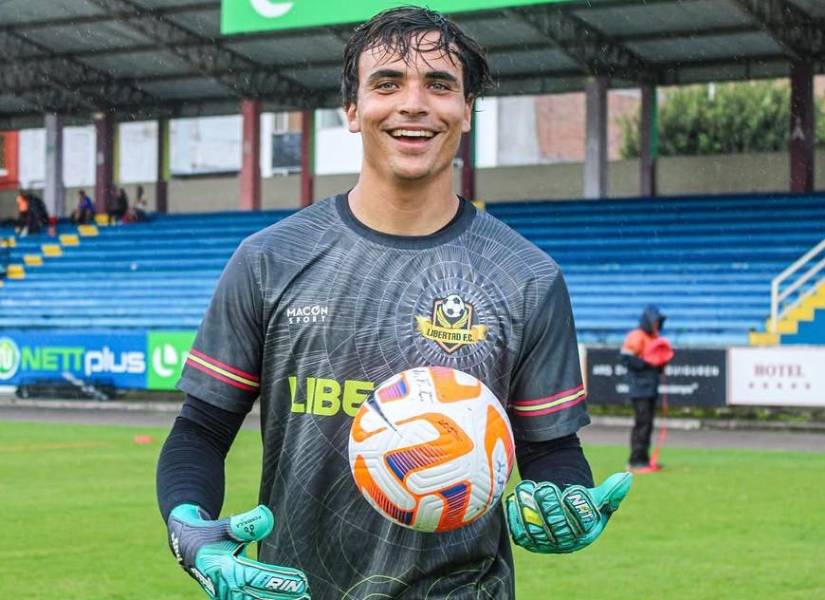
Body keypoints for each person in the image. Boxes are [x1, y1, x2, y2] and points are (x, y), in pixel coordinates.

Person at [156, 8, 632, 600]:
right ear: (352, 110)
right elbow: (200, 430)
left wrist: (564, 503)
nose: (413, 104)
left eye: (439, 84)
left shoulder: (526, 278)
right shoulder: (270, 260)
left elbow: (552, 449)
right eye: (386, 84)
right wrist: (190, 528)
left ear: (467, 109)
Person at [621, 305, 672, 473]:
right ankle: (635, 460)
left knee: (648, 424)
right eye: (656, 322)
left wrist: (660, 363)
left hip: (651, 388)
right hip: (639, 388)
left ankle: (644, 459)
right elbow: (626, 358)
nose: (657, 325)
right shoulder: (636, 336)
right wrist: (648, 363)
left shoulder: (654, 338)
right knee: (642, 423)